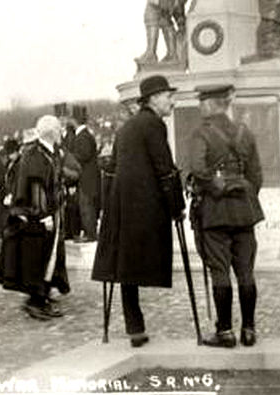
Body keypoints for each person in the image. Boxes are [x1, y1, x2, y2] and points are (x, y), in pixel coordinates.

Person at [92, 75, 185, 347]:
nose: (172, 101)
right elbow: (164, 169)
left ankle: (135, 327)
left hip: (121, 208)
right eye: (168, 96)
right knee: (138, 264)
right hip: (145, 208)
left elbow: (111, 169)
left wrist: (108, 207)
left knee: (125, 267)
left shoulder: (126, 127)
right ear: (154, 98)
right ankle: (135, 328)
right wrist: (177, 207)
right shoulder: (154, 125)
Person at [186, 84, 264, 348]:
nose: (200, 107)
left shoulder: (201, 133)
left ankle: (226, 332)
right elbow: (256, 176)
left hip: (215, 212)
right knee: (246, 272)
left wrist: (218, 188)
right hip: (244, 211)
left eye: (202, 102)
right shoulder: (245, 132)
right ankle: (250, 330)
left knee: (220, 271)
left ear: (212, 104)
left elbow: (197, 169)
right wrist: (243, 194)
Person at [0, 115, 70, 321]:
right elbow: (36, 186)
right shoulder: (36, 154)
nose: (61, 133)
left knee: (48, 257)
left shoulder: (48, 152)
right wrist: (43, 214)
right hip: (38, 217)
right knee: (37, 259)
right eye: (59, 130)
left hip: (50, 213)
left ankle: (42, 296)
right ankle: (35, 301)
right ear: (52, 132)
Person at [73, 108, 99, 242]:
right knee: (86, 206)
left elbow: (83, 155)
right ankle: (90, 232)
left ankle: (91, 234)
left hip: (86, 179)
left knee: (86, 206)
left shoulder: (82, 136)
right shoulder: (86, 134)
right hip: (89, 178)